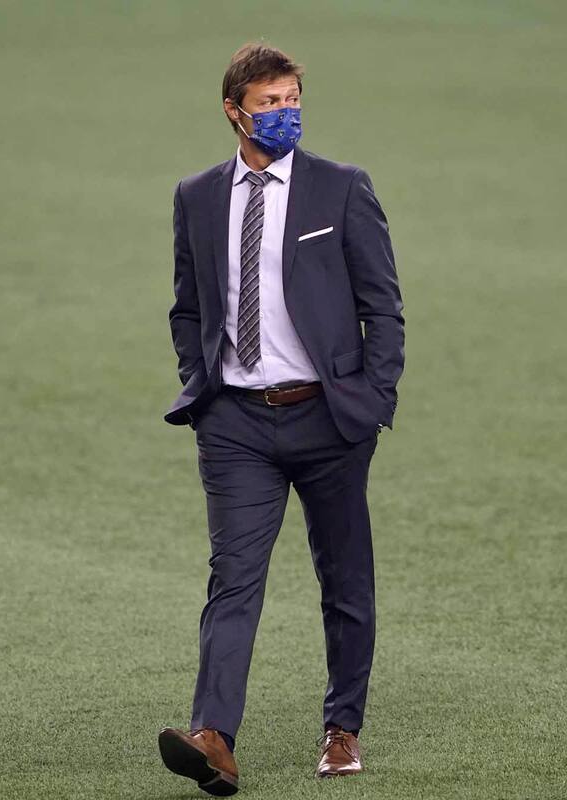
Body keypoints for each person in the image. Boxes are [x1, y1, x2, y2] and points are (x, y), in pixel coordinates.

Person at [157, 42, 404, 796]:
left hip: (329, 419)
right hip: (235, 423)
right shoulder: (197, 197)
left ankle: (342, 728)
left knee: (344, 578)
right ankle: (213, 737)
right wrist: (200, 385)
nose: (284, 113)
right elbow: (187, 306)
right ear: (234, 111)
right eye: (269, 103)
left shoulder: (342, 188)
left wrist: (372, 399)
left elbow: (382, 305)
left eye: (292, 99)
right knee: (233, 578)